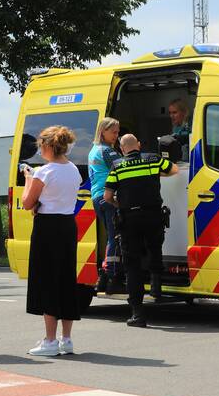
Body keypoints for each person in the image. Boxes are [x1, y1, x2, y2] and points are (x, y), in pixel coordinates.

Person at [103, 133, 178, 327]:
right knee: (155, 248)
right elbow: (174, 169)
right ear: (138, 145)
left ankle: (137, 313)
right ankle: (156, 288)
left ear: (121, 149)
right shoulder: (153, 159)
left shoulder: (117, 166)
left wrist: (120, 204)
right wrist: (156, 174)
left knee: (132, 265)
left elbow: (107, 196)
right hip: (153, 215)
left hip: (129, 219)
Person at [22, 126, 83, 356]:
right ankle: (66, 339)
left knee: (47, 279)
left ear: (48, 146)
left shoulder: (44, 172)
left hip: (47, 227)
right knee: (66, 278)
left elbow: (28, 203)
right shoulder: (74, 170)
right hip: (67, 225)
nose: (40, 151)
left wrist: (28, 179)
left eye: (41, 146)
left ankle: (49, 341)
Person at [88, 117, 123, 293]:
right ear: (103, 132)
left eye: (118, 132)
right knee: (115, 237)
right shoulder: (108, 151)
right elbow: (124, 168)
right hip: (108, 197)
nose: (116, 135)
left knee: (111, 236)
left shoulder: (94, 150)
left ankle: (103, 277)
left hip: (97, 198)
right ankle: (111, 278)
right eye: (113, 132)